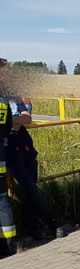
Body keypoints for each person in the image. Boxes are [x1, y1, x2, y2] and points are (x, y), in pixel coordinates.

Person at [6, 97, 59, 239]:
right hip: (9, 147)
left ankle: (33, 228)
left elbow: (27, 119)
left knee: (30, 188)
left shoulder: (15, 96)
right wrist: (14, 120)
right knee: (30, 187)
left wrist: (11, 121)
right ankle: (52, 222)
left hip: (24, 144)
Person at [0, 96, 15, 256]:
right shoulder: (3, 101)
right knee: (3, 202)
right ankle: (8, 245)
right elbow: (8, 127)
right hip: (1, 160)